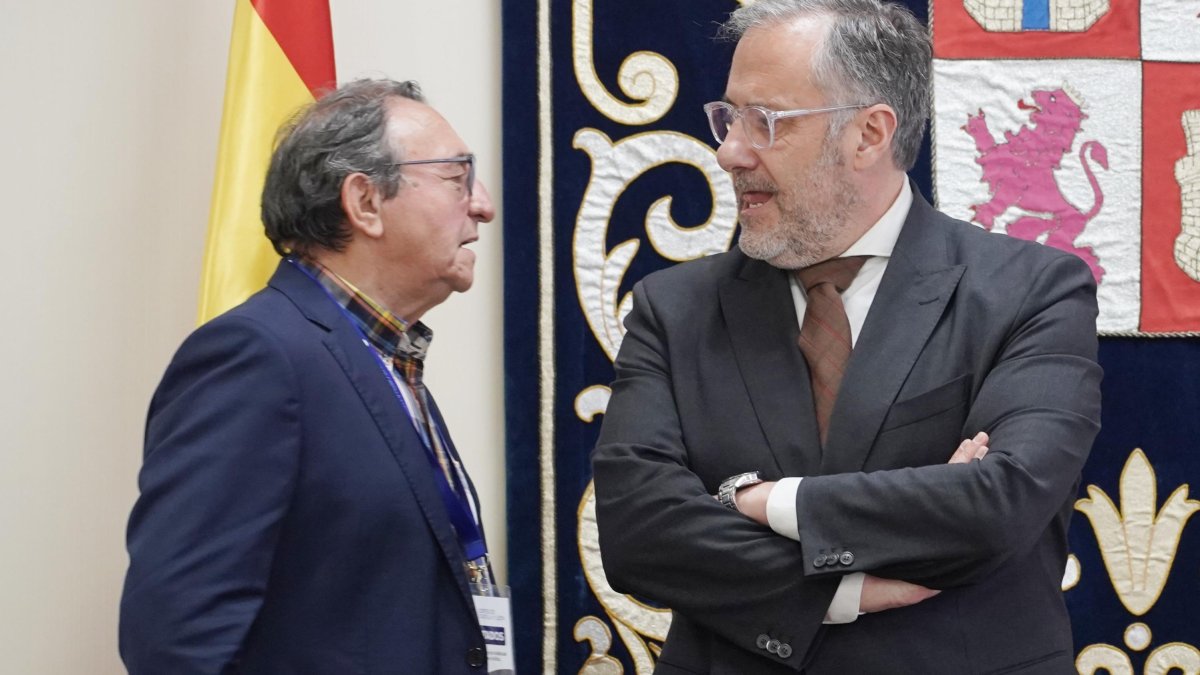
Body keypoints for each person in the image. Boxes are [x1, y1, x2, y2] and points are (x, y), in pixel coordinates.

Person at [591, 1, 1102, 672]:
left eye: (764, 121)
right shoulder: (674, 308)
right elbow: (638, 531)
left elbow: (997, 505)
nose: (729, 152)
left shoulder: (1031, 291)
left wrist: (758, 500)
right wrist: (841, 590)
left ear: (868, 134)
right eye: (729, 118)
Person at [120, 79, 501, 673]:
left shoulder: (387, 358)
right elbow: (176, 638)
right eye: (457, 177)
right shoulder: (255, 357)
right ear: (365, 202)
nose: (483, 204)